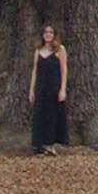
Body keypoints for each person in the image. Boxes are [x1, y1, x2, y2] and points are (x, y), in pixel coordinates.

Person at [29, 23, 68, 154]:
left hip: (53, 87)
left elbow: (64, 70)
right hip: (40, 87)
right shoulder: (38, 51)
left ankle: (50, 144)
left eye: (51, 32)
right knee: (39, 114)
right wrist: (32, 90)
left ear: (54, 35)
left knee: (52, 115)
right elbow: (35, 71)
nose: (48, 35)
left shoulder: (60, 50)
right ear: (42, 35)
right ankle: (39, 144)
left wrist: (62, 89)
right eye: (46, 32)